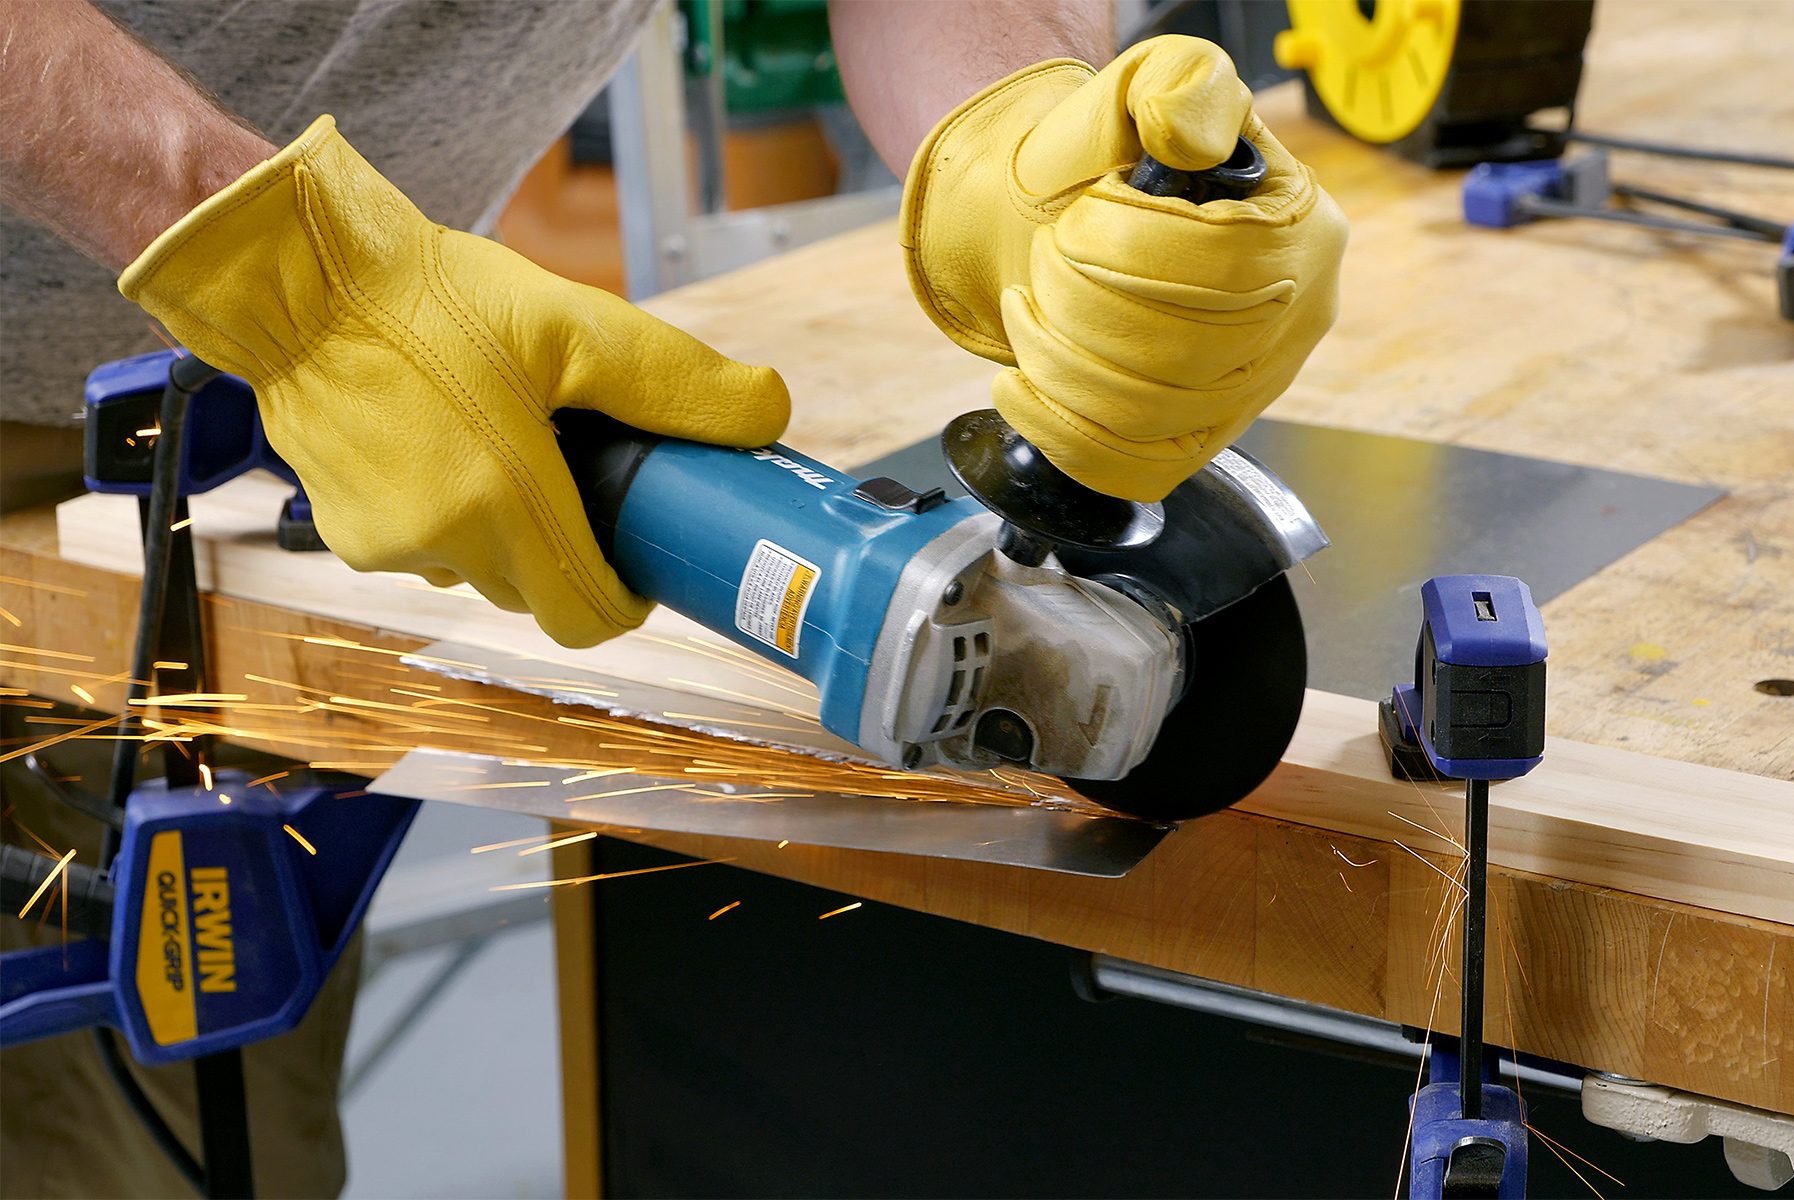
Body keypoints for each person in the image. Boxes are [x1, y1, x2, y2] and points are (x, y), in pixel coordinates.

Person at [0, 0, 1345, 1193]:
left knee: (204, 1092)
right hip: (188, 325)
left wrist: (1017, 130)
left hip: (295, 385)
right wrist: (282, 270)